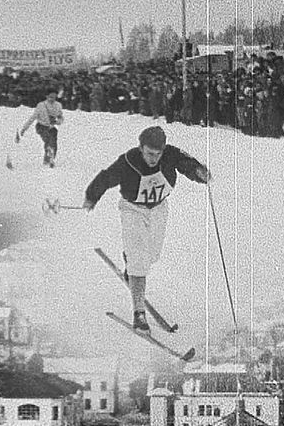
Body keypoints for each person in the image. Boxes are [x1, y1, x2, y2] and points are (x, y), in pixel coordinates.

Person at [82, 126, 211, 333]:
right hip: (133, 209)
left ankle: (130, 263)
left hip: (159, 208)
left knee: (152, 256)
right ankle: (139, 314)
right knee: (139, 260)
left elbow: (187, 163)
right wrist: (91, 196)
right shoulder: (128, 161)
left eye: (158, 154)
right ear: (141, 148)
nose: (154, 159)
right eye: (150, 154)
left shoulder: (170, 154)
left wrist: (199, 173)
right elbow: (106, 178)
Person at [18, 90, 65, 167]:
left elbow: (60, 117)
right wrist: (24, 128)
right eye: (50, 97)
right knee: (48, 140)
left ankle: (51, 157)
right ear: (47, 96)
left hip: (51, 127)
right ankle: (48, 156)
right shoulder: (41, 105)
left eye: (54, 97)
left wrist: (58, 122)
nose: (52, 99)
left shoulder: (58, 105)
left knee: (53, 142)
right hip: (41, 126)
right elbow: (33, 118)